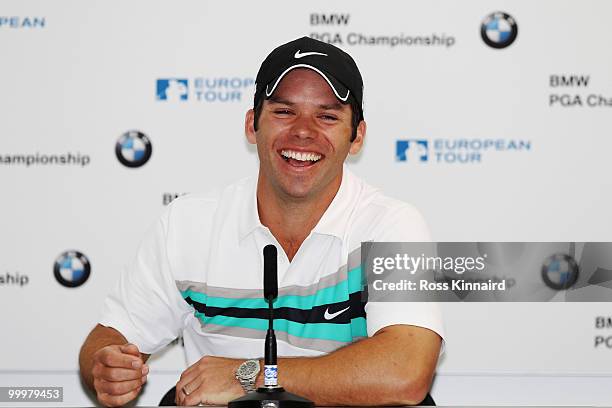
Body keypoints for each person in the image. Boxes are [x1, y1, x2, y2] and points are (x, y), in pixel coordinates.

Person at [79, 36, 444, 407]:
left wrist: (248, 376)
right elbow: (109, 338)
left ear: (357, 137)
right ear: (252, 125)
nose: (303, 131)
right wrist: (108, 366)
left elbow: (405, 372)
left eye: (328, 116)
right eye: (284, 112)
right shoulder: (188, 223)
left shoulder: (392, 224)